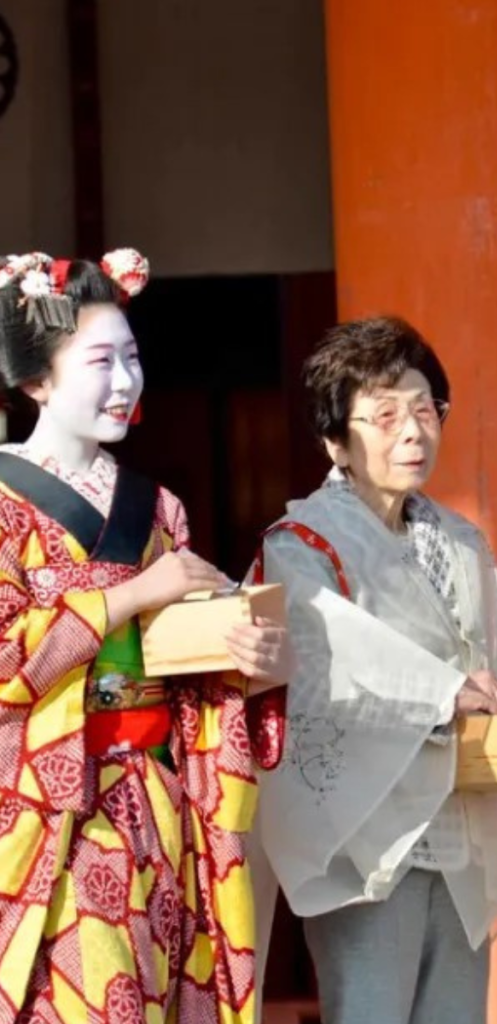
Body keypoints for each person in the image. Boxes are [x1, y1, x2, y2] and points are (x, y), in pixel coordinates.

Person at [249, 316, 497, 1024]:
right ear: (336, 439)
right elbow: (324, 647)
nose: (412, 432)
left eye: (425, 410)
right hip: (364, 838)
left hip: (457, 821)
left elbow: (495, 667)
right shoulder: (299, 544)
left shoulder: (460, 540)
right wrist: (446, 690)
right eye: (384, 415)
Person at [0, 250, 292, 1023]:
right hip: (44, 812)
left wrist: (246, 666)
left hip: (153, 803)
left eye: (132, 358)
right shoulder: (2, 501)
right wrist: (135, 593)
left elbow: (189, 667)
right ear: (36, 381)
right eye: (101, 360)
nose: (126, 380)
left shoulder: (157, 508)